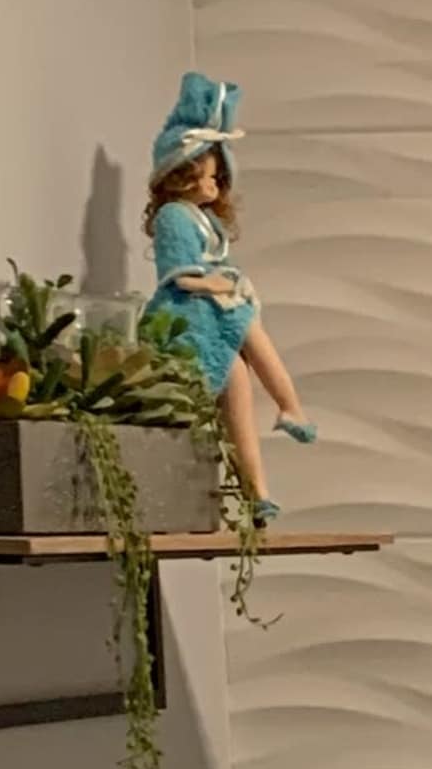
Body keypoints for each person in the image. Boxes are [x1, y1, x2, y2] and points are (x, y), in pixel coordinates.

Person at [136, 74, 318, 510]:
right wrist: (217, 285)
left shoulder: (202, 220)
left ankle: (257, 493)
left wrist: (232, 284)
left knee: (238, 374)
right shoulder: (175, 219)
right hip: (187, 312)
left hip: (210, 302)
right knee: (244, 327)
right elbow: (178, 276)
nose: (214, 186)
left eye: (218, 177)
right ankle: (290, 405)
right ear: (180, 177)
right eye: (206, 176)